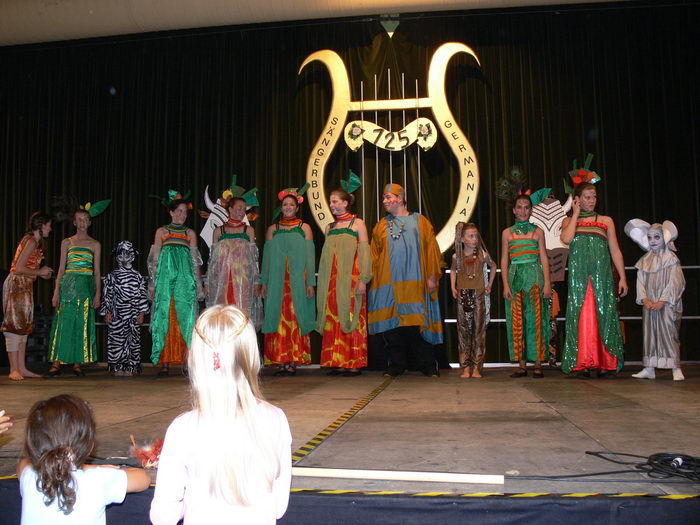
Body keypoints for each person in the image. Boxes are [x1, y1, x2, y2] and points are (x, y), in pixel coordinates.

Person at [149, 305, 292, 525]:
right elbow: (278, 507)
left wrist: (190, 503)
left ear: (196, 359)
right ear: (251, 355)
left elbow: (162, 516)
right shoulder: (276, 419)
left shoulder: (182, 428)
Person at [17, 394, 150, 525]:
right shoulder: (99, 479)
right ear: (89, 444)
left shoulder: (30, 476)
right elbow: (143, 478)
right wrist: (92, 468)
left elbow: (24, 463)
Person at [367, 183, 443, 377]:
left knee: (418, 324)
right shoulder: (381, 225)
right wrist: (371, 281)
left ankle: (427, 364)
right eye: (384, 198)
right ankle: (396, 365)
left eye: (388, 197)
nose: (384, 201)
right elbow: (374, 255)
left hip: (415, 283)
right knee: (392, 328)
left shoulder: (420, 221)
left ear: (400, 198)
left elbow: (431, 250)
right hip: (389, 285)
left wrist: (432, 276)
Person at [560, 180, 627, 377]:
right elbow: (566, 239)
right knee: (583, 317)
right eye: (587, 197)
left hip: (602, 277)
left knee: (603, 314)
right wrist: (575, 214)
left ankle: (605, 361)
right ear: (577, 199)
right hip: (579, 279)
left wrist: (622, 277)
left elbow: (615, 250)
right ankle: (583, 362)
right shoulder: (568, 221)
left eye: (594, 196)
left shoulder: (606, 221)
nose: (592, 201)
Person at [316, 177, 371, 376]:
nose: (332, 205)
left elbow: (365, 252)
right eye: (331, 202)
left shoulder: (358, 224)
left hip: (352, 280)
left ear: (346, 203)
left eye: (335, 201)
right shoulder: (329, 228)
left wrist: (363, 279)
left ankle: (354, 361)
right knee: (334, 318)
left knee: (351, 317)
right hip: (332, 282)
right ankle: (336, 360)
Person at [259, 185, 315, 376]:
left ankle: (293, 360)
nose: (288, 207)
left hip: (297, 284)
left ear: (297, 208)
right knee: (276, 318)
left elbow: (310, 257)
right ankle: (279, 360)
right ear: (281, 207)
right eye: (285, 204)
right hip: (276, 285)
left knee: (295, 318)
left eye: (291, 204)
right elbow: (265, 259)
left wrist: (310, 284)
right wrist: (264, 281)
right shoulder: (272, 229)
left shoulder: (304, 228)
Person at [48, 203, 108, 377]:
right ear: (74, 222)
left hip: (86, 287)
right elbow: (60, 269)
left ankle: (77, 364)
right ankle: (56, 363)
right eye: (79, 220)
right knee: (63, 323)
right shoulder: (67, 242)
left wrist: (98, 293)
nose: (83, 223)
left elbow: (97, 271)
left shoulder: (95, 244)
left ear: (90, 223)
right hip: (68, 285)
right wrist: (56, 292)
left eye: (86, 220)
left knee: (82, 323)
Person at [148, 192, 204, 376]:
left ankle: (187, 361)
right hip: (165, 282)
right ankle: (164, 362)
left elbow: (195, 261)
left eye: (185, 213)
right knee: (165, 317)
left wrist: (199, 284)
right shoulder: (162, 232)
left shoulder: (190, 233)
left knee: (186, 321)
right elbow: (154, 260)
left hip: (184, 282)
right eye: (178, 211)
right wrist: (152, 284)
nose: (182, 215)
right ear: (171, 212)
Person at [625, 220, 685, 381]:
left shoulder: (671, 259)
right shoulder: (645, 260)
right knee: (650, 334)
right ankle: (649, 367)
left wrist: (663, 300)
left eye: (656, 237)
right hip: (650, 304)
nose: (653, 241)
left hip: (667, 305)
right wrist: (644, 298)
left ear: (664, 238)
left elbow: (676, 282)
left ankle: (675, 367)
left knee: (668, 333)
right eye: (650, 238)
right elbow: (641, 280)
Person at [500, 194, 551, 378]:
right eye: (519, 207)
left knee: (536, 319)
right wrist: (505, 285)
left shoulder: (538, 232)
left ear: (531, 210)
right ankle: (522, 364)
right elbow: (504, 259)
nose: (523, 210)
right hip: (515, 279)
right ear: (514, 210)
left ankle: (537, 363)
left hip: (535, 278)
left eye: (526, 207)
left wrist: (547, 283)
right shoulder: (507, 233)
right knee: (517, 321)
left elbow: (544, 257)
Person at [1, 212, 53, 380]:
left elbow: (27, 268)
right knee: (14, 325)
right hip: (17, 285)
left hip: (25, 286)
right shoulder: (30, 241)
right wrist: (39, 271)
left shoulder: (35, 243)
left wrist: (40, 273)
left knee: (23, 326)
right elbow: (18, 268)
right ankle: (13, 368)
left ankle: (21, 367)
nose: (50, 229)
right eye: (49, 225)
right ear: (42, 225)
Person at [206, 196, 263, 330]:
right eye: (239, 207)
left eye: (244, 209)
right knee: (223, 313)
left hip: (243, 281)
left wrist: (256, 282)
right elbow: (212, 261)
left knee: (241, 313)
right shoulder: (218, 231)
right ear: (230, 209)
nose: (242, 211)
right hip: (222, 282)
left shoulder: (248, 230)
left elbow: (254, 259)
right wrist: (208, 283)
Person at [450, 222, 497, 378]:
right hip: (464, 295)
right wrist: (453, 287)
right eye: (471, 236)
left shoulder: (482, 255)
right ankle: (465, 367)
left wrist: (489, 284)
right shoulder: (457, 256)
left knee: (478, 331)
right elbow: (453, 271)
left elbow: (493, 265)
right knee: (464, 331)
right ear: (463, 239)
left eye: (476, 235)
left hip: (478, 295)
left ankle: (477, 366)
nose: (474, 239)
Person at [100, 241, 150, 376]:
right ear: (116, 257)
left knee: (133, 340)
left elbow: (141, 295)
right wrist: (107, 312)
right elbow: (107, 295)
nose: (124, 258)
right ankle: (117, 366)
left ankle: (131, 366)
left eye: (127, 255)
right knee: (116, 339)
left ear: (132, 257)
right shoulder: (112, 276)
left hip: (132, 313)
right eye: (120, 255)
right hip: (117, 314)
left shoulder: (137, 276)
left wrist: (142, 312)